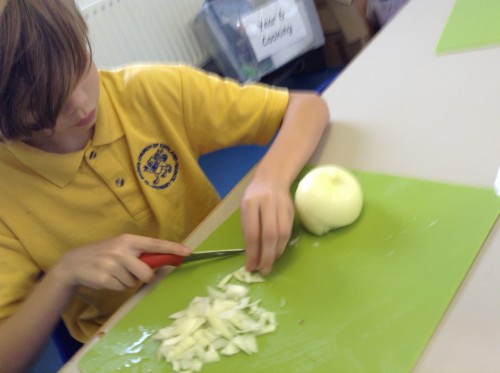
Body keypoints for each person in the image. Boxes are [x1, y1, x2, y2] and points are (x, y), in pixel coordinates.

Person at [0, 0, 329, 371]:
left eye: (80, 63)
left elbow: (306, 108)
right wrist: (64, 275)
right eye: (48, 106)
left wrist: (270, 179)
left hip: (236, 282)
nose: (80, 104)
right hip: (129, 346)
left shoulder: (149, 91)